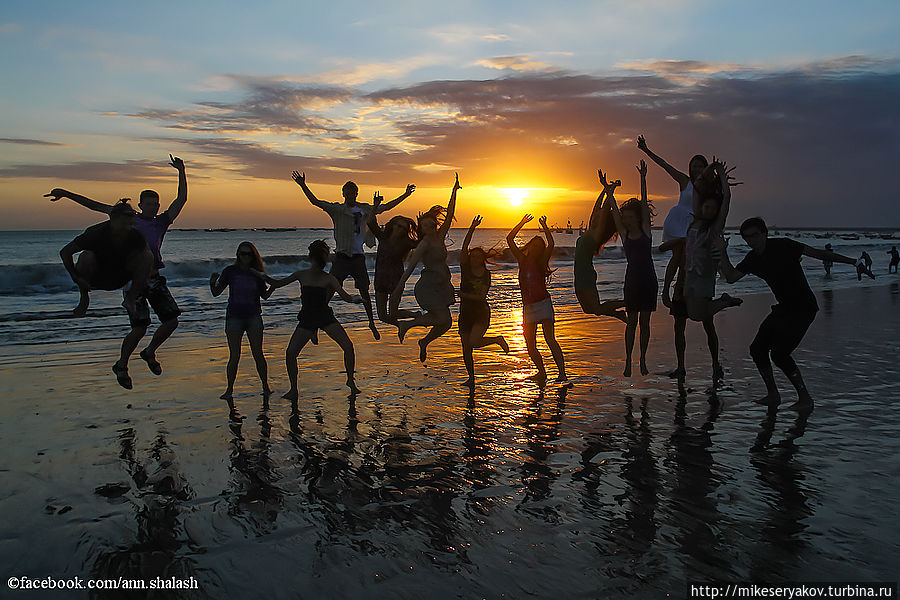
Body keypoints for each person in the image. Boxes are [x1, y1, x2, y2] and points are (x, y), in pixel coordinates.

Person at [46, 154, 187, 378]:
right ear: (140, 205)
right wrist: (65, 193)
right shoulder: (127, 217)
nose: (152, 207)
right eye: (148, 204)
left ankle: (150, 352)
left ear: (158, 206)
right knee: (139, 327)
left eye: (155, 204)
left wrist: (181, 171)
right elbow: (93, 204)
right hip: (132, 279)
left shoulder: (162, 221)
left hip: (154, 277)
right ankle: (122, 364)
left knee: (172, 321)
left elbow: (181, 200)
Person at [718, 217, 867, 409]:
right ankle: (773, 395)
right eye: (746, 238)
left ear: (764, 233)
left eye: (754, 236)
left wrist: (855, 263)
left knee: (780, 354)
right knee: (757, 349)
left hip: (804, 308)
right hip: (783, 308)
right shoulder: (752, 259)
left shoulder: (784, 245)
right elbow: (730, 278)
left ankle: (805, 399)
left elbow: (819, 254)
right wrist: (722, 250)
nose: (751, 241)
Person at [292, 171, 415, 340]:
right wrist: (303, 185)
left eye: (353, 192)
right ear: (343, 194)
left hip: (358, 258)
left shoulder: (364, 209)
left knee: (365, 292)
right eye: (347, 192)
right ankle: (314, 326)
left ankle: (371, 323)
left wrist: (406, 194)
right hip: (342, 258)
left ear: (356, 193)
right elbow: (316, 202)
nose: (350, 195)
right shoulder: (336, 209)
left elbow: (387, 207)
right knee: (329, 291)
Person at [59, 200, 154, 389]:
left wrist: (141, 284)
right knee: (85, 255)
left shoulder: (134, 236)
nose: (130, 223)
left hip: (120, 276)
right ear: (113, 219)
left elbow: (143, 262)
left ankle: (130, 299)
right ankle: (84, 297)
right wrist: (77, 278)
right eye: (127, 219)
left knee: (147, 255)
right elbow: (65, 252)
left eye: (132, 219)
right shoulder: (96, 233)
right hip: (96, 276)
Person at [262, 240, 363, 398]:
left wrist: (356, 299)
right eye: (321, 257)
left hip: (325, 317)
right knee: (290, 353)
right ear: (312, 258)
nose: (322, 261)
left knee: (348, 346)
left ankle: (350, 381)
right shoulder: (301, 275)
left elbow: (346, 297)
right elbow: (277, 283)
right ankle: (294, 389)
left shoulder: (328, 278)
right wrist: (260, 275)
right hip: (307, 319)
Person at [678, 159, 742, 386]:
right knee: (694, 313)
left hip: (704, 276)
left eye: (711, 209)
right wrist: (710, 168)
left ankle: (724, 302)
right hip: (689, 274)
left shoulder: (714, 227)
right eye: (705, 206)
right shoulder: (695, 222)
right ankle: (721, 303)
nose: (707, 209)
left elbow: (726, 199)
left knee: (697, 315)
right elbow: (696, 187)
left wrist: (722, 176)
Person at [392, 174, 460, 362]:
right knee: (442, 320)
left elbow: (451, 211)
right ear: (421, 227)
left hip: (442, 284)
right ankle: (409, 325)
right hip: (428, 287)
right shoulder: (424, 244)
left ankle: (424, 342)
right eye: (425, 222)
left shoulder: (440, 236)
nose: (429, 223)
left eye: (431, 221)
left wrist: (454, 191)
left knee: (446, 324)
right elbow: (410, 266)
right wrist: (399, 287)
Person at [608, 160, 658, 376]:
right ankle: (628, 360)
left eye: (629, 217)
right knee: (631, 323)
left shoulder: (646, 230)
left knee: (645, 324)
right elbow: (614, 213)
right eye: (624, 218)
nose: (626, 220)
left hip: (649, 280)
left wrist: (643, 178)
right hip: (632, 281)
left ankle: (643, 359)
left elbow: (644, 201)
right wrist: (609, 193)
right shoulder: (626, 234)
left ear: (637, 217)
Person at [507, 213, 567, 384]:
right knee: (530, 345)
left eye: (538, 246)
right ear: (529, 246)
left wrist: (545, 226)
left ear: (541, 250)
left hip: (543, 303)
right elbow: (510, 239)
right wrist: (522, 223)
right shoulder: (521, 259)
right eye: (533, 244)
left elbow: (552, 244)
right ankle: (542, 372)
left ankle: (562, 373)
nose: (535, 248)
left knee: (550, 339)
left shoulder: (541, 262)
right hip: (528, 307)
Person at [210, 242, 273, 401]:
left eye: (248, 254)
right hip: (234, 317)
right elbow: (216, 293)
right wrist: (212, 282)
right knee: (234, 355)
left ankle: (265, 386)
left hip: (253, 316)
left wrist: (273, 285)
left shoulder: (256, 273)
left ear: (253, 256)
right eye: (242, 254)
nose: (245, 257)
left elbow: (264, 296)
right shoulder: (230, 272)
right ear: (238, 255)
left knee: (258, 353)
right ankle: (229, 390)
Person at [459, 215, 510, 386]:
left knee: (473, 342)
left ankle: (497, 340)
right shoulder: (465, 268)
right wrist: (472, 227)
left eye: (478, 256)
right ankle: (471, 378)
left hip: (480, 312)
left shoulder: (486, 274)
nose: (474, 259)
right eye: (472, 256)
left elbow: (481, 296)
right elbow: (464, 246)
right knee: (466, 348)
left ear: (483, 259)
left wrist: (463, 295)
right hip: (465, 312)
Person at [574, 170, 626, 323]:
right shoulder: (591, 231)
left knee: (596, 309)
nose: (595, 216)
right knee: (589, 310)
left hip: (586, 277)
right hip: (579, 277)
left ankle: (627, 303)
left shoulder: (595, 236)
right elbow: (597, 208)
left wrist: (610, 189)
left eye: (599, 216)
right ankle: (619, 314)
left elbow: (603, 209)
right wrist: (604, 189)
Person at [366, 198, 419, 324]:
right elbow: (370, 221)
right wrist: (375, 206)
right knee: (382, 316)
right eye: (398, 225)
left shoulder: (406, 243)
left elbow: (421, 242)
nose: (400, 229)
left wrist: (423, 225)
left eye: (403, 228)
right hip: (380, 279)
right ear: (393, 224)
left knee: (393, 313)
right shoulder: (383, 236)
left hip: (396, 280)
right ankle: (411, 319)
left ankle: (411, 318)